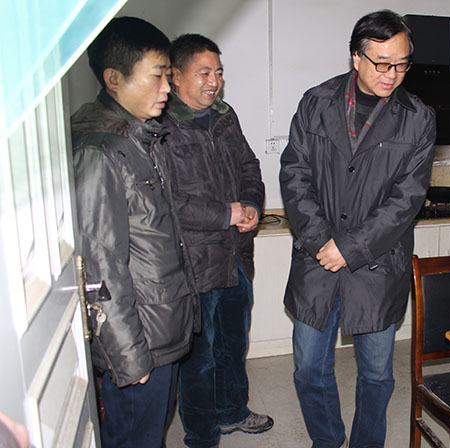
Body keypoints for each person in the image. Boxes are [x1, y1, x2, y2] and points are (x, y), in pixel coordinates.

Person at [279, 9, 436, 448]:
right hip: (317, 260)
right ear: (356, 57)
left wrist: (349, 247)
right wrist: (321, 242)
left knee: (377, 374)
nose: (392, 74)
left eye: (402, 64)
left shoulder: (417, 118)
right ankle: (327, 440)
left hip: (376, 264)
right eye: (382, 63)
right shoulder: (316, 103)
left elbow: (407, 199)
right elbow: (294, 174)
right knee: (309, 368)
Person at [71, 17, 199, 447]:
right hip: (138, 342)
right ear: (114, 79)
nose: (167, 87)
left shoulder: (139, 138)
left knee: (151, 433)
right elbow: (100, 265)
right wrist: (128, 357)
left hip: (158, 328)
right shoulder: (100, 152)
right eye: (158, 75)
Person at [161, 34, 271, 448]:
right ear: (175, 75)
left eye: (219, 72)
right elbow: (167, 199)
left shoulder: (225, 116)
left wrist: (252, 204)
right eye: (204, 72)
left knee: (233, 344)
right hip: (195, 263)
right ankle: (202, 434)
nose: (214, 82)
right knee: (200, 357)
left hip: (235, 255)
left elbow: (249, 165)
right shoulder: (162, 126)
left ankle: (232, 412)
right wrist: (225, 213)